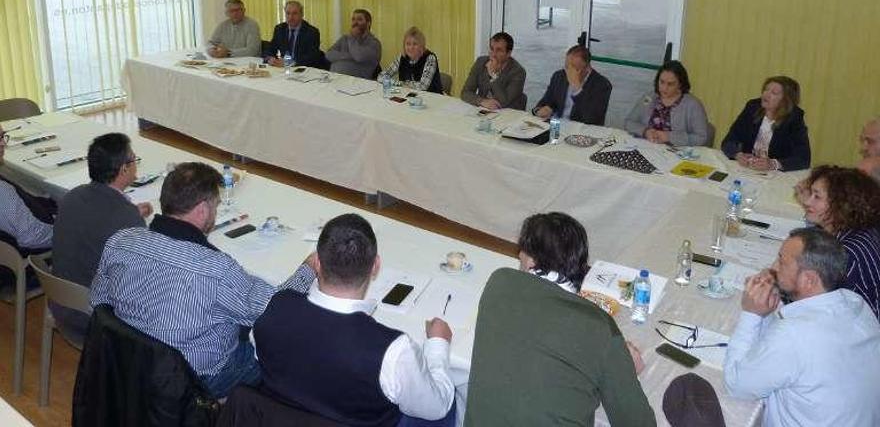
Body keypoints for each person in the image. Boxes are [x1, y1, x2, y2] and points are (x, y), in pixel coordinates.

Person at [90, 162, 316, 398]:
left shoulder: (121, 240)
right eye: (216, 206)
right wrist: (308, 268)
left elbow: (98, 302)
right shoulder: (215, 269)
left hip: (127, 363)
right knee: (283, 347)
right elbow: (276, 311)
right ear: (202, 210)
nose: (216, 213)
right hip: (196, 379)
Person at [253, 213, 455, 426]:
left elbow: (262, 358)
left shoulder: (274, 306)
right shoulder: (393, 349)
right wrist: (438, 344)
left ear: (317, 263)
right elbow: (437, 406)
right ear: (375, 266)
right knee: (448, 404)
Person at [465, 213, 654, 426]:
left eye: (522, 251)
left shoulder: (499, 282)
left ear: (531, 261)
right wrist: (626, 372)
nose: (519, 255)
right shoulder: (599, 326)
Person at [724, 228, 880, 426]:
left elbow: (737, 385)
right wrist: (772, 305)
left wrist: (751, 313)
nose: (773, 267)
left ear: (809, 280)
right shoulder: (854, 302)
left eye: (782, 262)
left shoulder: (794, 335)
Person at [52, 133, 153, 338]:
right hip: (99, 320)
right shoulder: (126, 220)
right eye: (134, 160)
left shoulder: (73, 196)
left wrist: (131, 212)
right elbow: (143, 281)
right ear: (124, 168)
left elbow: (98, 222)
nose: (136, 165)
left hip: (60, 303)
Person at [800, 165, 880, 318]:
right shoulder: (851, 229)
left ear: (841, 204)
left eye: (817, 196)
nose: (808, 202)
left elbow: (831, 312)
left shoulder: (847, 253)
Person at [721, 76, 810, 171]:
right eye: (766, 90)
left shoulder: (794, 118)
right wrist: (737, 154)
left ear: (786, 100)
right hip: (747, 168)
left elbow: (803, 159)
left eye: (774, 93)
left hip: (775, 175)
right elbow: (729, 140)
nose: (766, 95)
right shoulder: (752, 107)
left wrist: (773, 164)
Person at [624, 60, 709, 146]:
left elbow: (701, 138)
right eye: (662, 82)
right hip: (647, 147)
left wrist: (670, 137)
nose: (664, 88)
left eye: (670, 84)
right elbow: (629, 122)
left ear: (680, 84)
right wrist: (645, 131)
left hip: (675, 154)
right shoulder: (649, 97)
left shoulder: (693, 105)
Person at [0, 124, 53, 254]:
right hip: (36, 259)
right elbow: (32, 237)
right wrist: (72, 232)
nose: (3, 144)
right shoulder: (3, 193)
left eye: (2, 137)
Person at [531, 45, 613, 125]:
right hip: (556, 126)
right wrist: (539, 110)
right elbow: (545, 102)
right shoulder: (559, 76)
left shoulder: (602, 85)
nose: (569, 72)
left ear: (587, 68)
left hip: (582, 132)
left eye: (575, 68)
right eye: (567, 67)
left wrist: (577, 89)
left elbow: (591, 119)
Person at [460, 32, 527, 110]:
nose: (493, 54)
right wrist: (482, 101)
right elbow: (465, 92)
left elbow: (504, 102)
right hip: (485, 110)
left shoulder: (518, 72)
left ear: (508, 53)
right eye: (492, 49)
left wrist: (493, 76)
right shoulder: (481, 62)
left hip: (508, 113)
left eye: (499, 50)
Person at [378, 27, 443, 94]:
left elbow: (423, 86)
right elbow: (381, 76)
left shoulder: (430, 58)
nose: (411, 48)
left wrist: (401, 84)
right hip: (409, 96)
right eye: (408, 44)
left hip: (432, 98)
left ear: (421, 46)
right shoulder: (402, 57)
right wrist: (395, 82)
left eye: (415, 44)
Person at [264, 0, 323, 69]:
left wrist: (292, 62)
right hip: (283, 68)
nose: (291, 17)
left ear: (301, 14)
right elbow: (270, 48)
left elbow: (312, 57)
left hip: (302, 69)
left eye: (294, 13)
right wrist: (270, 58)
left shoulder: (312, 32)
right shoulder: (280, 29)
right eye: (288, 13)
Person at [325, 9, 382, 79]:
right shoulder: (345, 38)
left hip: (357, 84)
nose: (355, 22)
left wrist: (352, 37)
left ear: (368, 23)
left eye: (359, 19)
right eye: (353, 19)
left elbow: (358, 56)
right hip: (333, 79)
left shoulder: (374, 43)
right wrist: (349, 56)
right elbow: (328, 55)